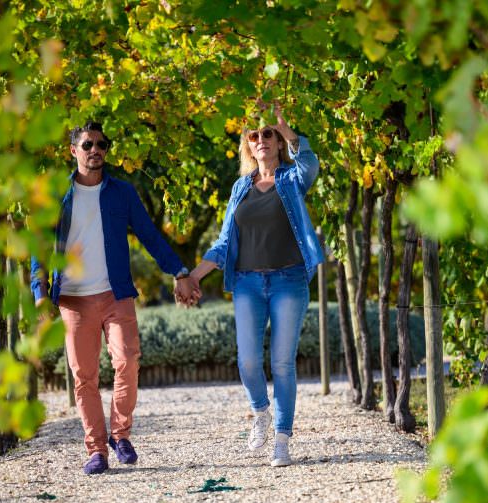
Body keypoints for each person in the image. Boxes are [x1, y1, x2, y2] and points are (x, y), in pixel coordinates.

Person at [30, 121, 197, 475]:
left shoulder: (122, 192)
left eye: (102, 144)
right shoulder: (54, 195)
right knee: (84, 375)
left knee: (128, 361)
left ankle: (120, 436)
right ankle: (96, 450)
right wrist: (39, 294)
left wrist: (179, 271)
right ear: (73, 151)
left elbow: (150, 235)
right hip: (72, 300)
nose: (96, 150)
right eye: (88, 144)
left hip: (115, 293)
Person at [187, 105, 322, 467]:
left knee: (282, 363)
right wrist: (193, 276)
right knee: (247, 362)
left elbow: (310, 165)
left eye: (267, 134)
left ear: (278, 143)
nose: (261, 139)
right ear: (248, 145)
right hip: (247, 282)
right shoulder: (240, 187)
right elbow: (224, 240)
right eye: (254, 135)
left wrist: (290, 131)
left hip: (288, 280)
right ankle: (260, 411)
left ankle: (282, 438)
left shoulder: (292, 180)